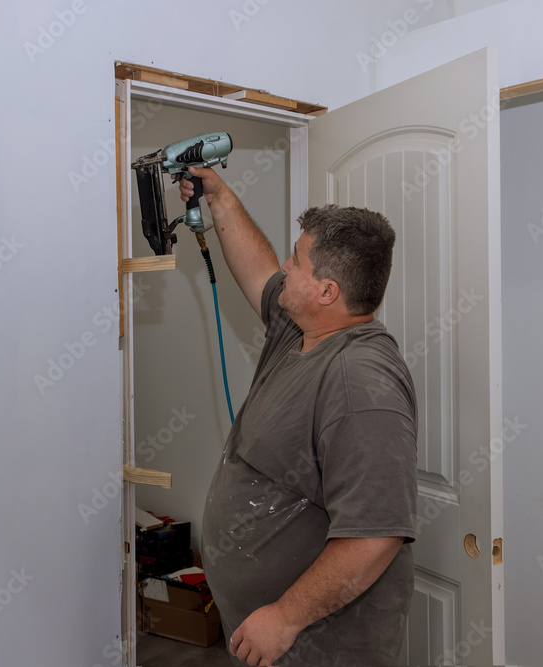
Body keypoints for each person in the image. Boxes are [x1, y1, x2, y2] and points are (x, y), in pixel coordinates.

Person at [179, 165, 418, 667]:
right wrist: (220, 197)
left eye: (298, 261)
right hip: (271, 633)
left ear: (328, 291)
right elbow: (259, 270)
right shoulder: (301, 331)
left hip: (318, 644)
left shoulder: (360, 382)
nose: (286, 266)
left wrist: (285, 617)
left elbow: (376, 534)